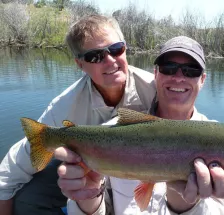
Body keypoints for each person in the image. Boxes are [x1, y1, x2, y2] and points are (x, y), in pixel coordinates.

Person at [55, 36, 224, 215]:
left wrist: (185, 206)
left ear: (202, 79)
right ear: (155, 74)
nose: (178, 77)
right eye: (168, 68)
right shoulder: (113, 132)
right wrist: (89, 195)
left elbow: (219, 210)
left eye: (191, 70)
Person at [0, 15, 156, 215]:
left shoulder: (156, 90)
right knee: (28, 198)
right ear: (80, 64)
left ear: (125, 48)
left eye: (116, 49)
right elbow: (13, 169)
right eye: (95, 56)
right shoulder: (64, 106)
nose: (110, 61)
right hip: (84, 178)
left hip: (141, 173)